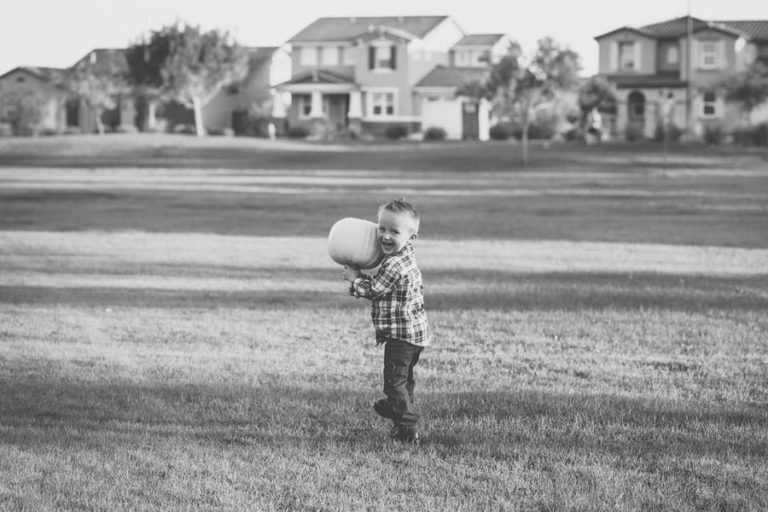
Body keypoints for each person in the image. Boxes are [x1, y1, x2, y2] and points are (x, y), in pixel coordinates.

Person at [342, 198, 429, 444]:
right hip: (414, 335)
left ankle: (407, 425)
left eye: (394, 231)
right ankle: (399, 421)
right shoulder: (403, 257)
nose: (385, 236)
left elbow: (374, 290)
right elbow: (385, 284)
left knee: (393, 382)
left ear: (411, 237)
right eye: (382, 229)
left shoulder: (394, 264)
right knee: (404, 381)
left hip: (401, 336)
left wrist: (354, 279)